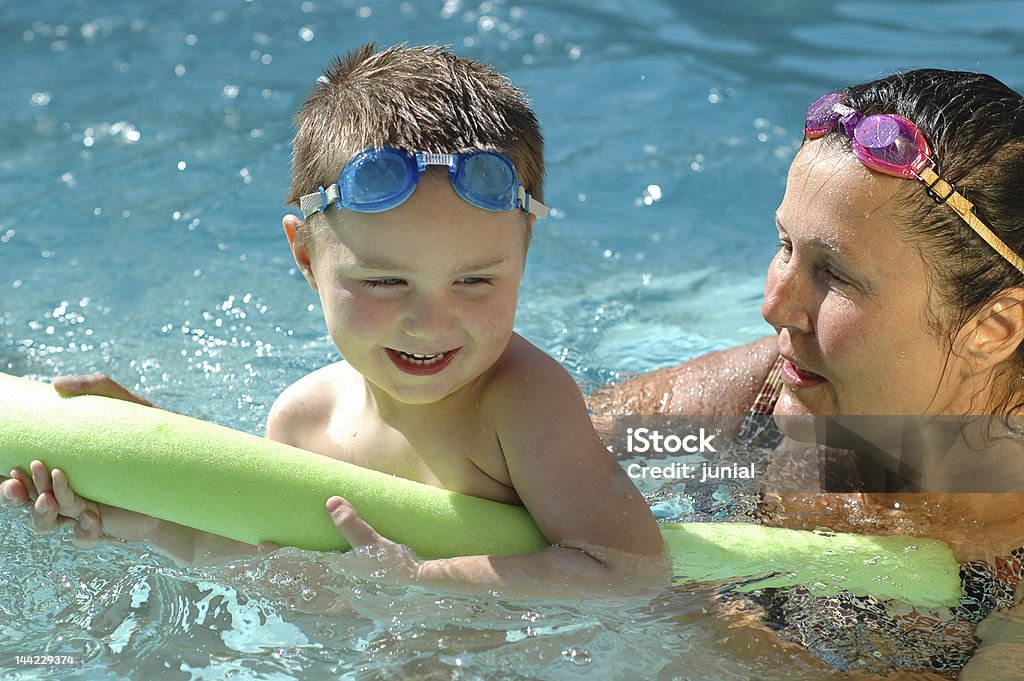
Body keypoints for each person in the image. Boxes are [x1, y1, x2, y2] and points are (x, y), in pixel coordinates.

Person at [1, 43, 665, 599]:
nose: (432, 321)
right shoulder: (303, 418)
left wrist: (426, 584)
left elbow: (631, 571)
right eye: (383, 280)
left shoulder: (523, 403)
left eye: (475, 280)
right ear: (305, 257)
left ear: (523, 256)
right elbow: (253, 555)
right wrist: (141, 505)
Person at [596, 69, 1024, 678]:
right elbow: (541, 439)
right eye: (784, 245)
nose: (774, 304)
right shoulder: (764, 389)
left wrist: (680, 606)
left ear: (994, 329)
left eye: (836, 274)